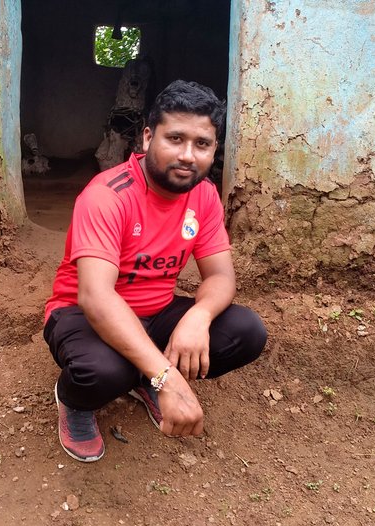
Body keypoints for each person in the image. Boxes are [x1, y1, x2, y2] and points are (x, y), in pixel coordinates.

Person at [43, 80, 267, 462]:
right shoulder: (107, 195)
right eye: (175, 138)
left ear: (214, 149)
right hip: (82, 315)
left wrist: (198, 316)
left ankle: (146, 374)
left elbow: (220, 277)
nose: (187, 155)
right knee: (103, 372)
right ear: (148, 137)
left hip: (157, 312)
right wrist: (168, 377)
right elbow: (96, 298)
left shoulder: (204, 195)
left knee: (247, 331)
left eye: (202, 144)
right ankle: (75, 401)